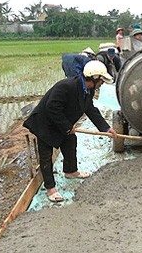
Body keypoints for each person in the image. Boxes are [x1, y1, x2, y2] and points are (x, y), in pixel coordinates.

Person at [23, 60, 117, 202]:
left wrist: (106, 128)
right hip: (45, 123)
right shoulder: (66, 86)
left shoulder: (88, 91)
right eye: (101, 80)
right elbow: (52, 107)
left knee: (70, 141)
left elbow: (90, 109)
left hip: (61, 122)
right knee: (46, 156)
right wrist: (67, 127)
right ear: (94, 78)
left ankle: (71, 171)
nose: (102, 83)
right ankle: (51, 189)